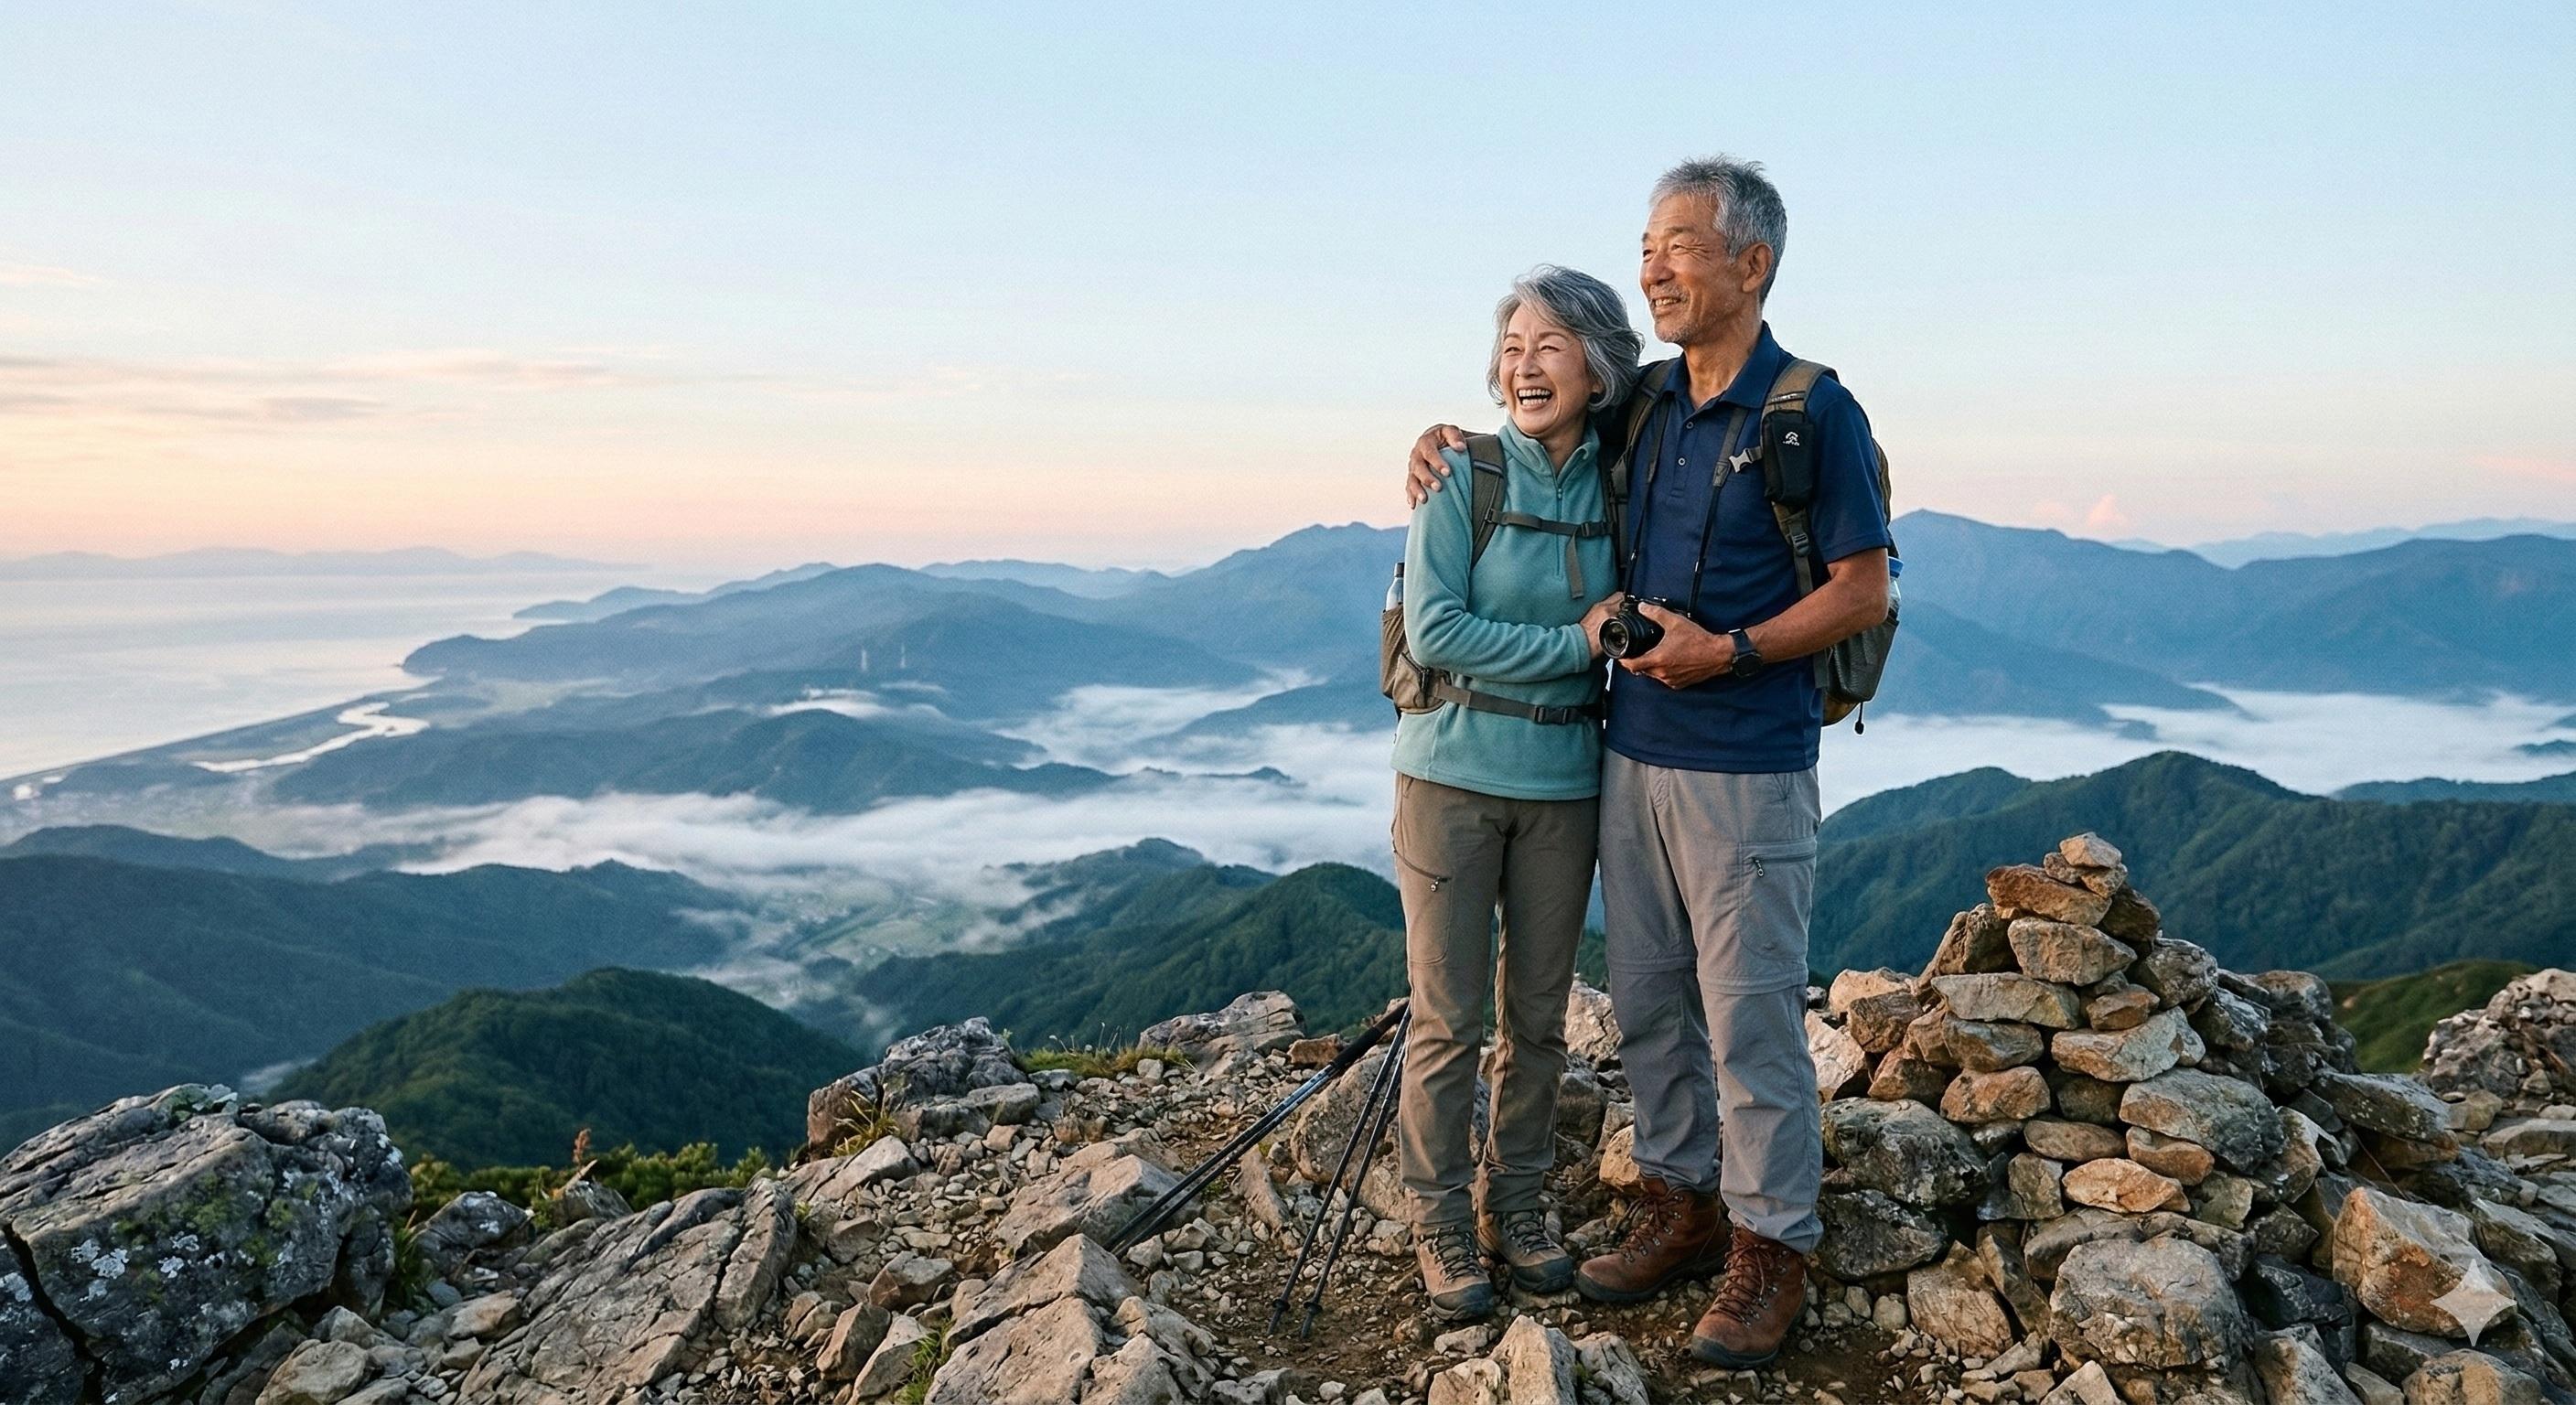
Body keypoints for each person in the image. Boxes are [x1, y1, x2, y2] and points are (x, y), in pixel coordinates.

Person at [1401, 157, 1892, 1367]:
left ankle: (1771, 1245)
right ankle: (1679, 1199)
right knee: (1653, 1007)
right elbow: (1546, 414)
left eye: (1680, 244)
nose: (1654, 267)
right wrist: (1441, 438)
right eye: (1645, 246)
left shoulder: (1814, 413)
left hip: (1748, 764)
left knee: (1753, 1018)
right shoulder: (1653, 404)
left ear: (1752, 264)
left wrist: (1731, 650)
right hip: (1626, 756)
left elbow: (1862, 586)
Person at [1390, 264, 1638, 1322]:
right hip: (1448, 777)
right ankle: (1438, 1217)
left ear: (1598, 366)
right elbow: (1435, 631)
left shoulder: (1623, 482)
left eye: (1547, 345)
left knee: (1536, 1020)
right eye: (1509, 348)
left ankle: (1519, 1203)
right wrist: (1574, 644)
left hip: (1564, 786)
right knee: (1447, 1020)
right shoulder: (1461, 476)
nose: (1522, 365)